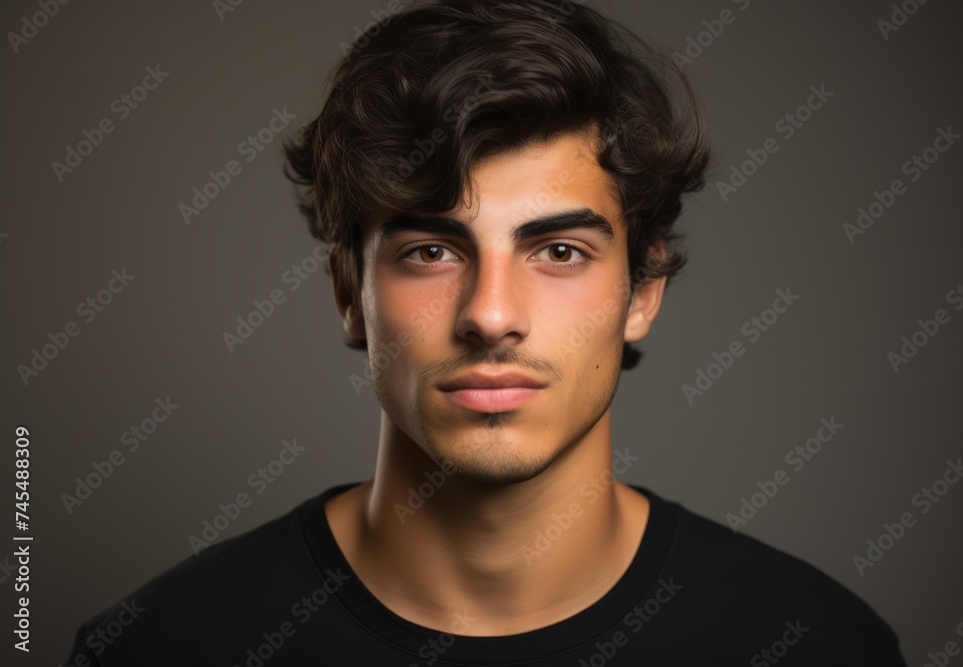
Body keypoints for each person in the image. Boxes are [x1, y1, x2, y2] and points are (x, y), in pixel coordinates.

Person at [67, 1, 907, 664]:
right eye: (431, 250)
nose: (491, 314)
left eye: (560, 251)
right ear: (348, 292)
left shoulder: (816, 643)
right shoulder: (158, 647)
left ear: (643, 289)